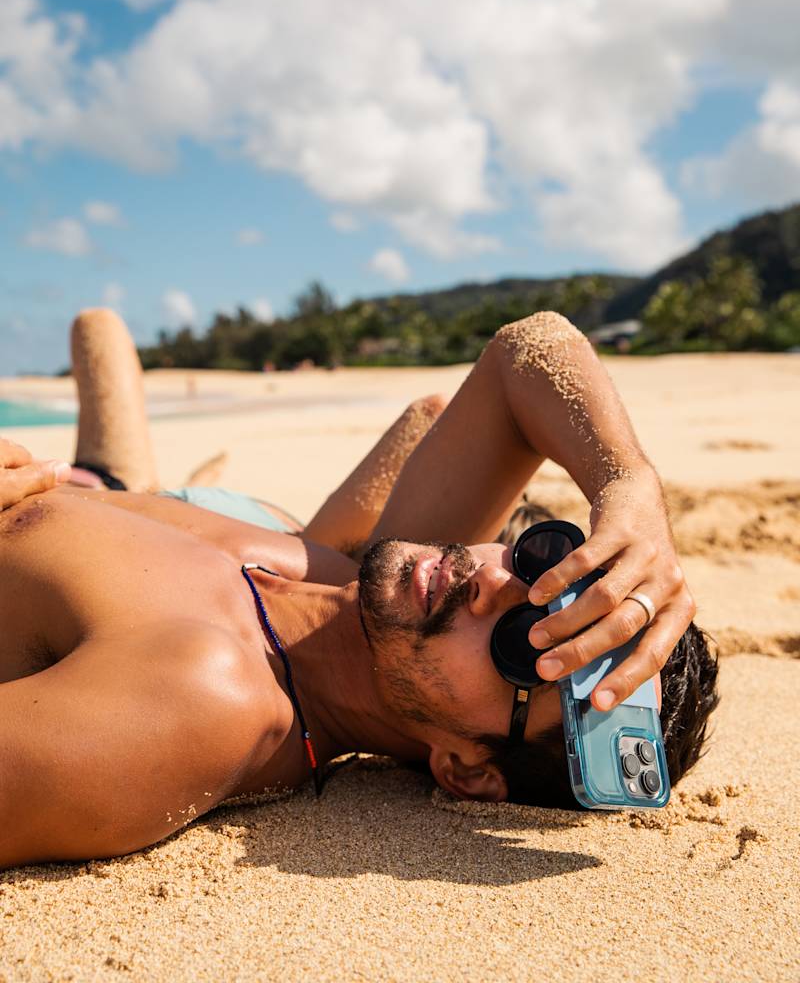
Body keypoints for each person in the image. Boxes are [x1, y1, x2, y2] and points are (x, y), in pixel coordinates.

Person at [0, 309, 717, 869]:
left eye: (523, 645)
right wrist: (628, 482)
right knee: (424, 419)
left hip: (65, 506)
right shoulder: (378, 593)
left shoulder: (204, 699)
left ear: (467, 771)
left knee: (98, 328)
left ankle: (106, 471)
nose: (494, 581)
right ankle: (109, 474)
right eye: (544, 565)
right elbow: (524, 353)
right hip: (148, 510)